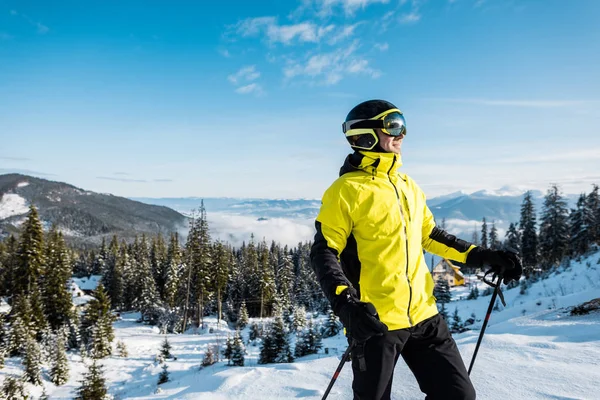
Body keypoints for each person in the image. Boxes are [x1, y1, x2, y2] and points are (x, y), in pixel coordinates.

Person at [310, 99, 522, 400]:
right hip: (376, 322)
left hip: (425, 315)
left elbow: (430, 235)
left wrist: (483, 256)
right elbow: (324, 253)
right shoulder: (346, 191)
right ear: (367, 135)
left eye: (402, 125)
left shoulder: (407, 185)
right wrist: (346, 306)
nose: (402, 133)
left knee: (458, 396)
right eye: (394, 125)